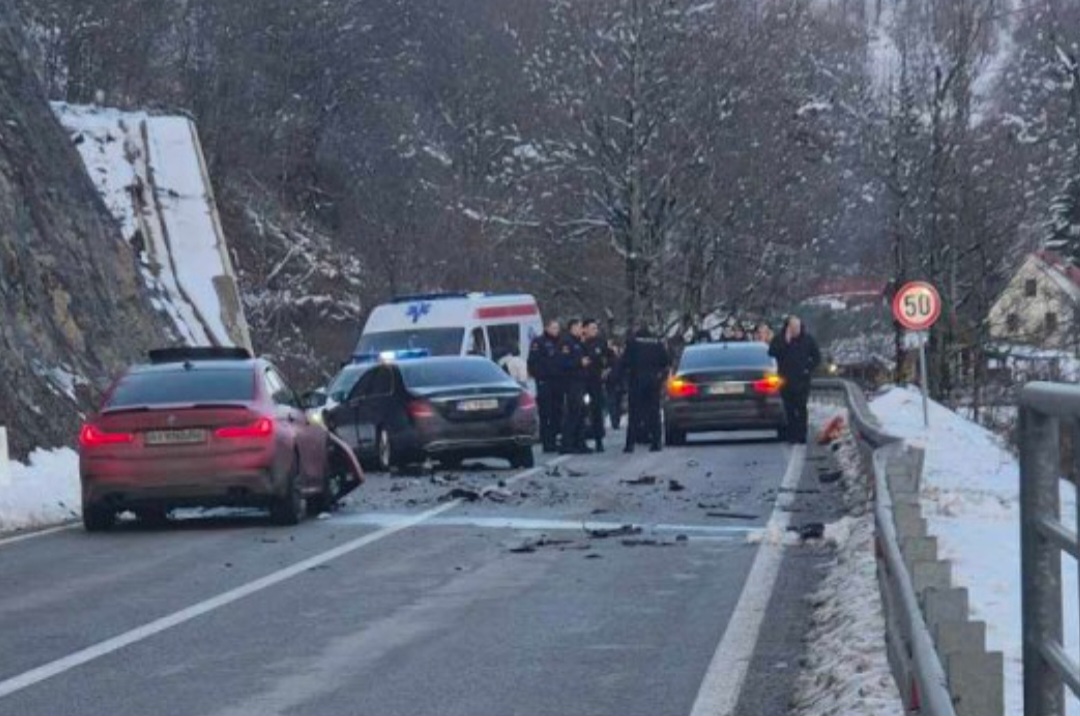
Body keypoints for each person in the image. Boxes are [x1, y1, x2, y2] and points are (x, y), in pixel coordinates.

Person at [768, 315, 821, 444]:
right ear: (787, 328)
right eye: (792, 327)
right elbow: (772, 352)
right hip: (785, 380)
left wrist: (808, 368)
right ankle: (792, 435)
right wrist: (785, 342)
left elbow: (817, 357)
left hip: (802, 380)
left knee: (801, 407)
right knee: (789, 408)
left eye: (797, 327)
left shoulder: (808, 340)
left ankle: (802, 435)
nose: (795, 330)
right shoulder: (780, 339)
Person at [621, 325, 670, 453]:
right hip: (653, 381)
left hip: (636, 381)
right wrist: (660, 377)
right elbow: (666, 361)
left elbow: (625, 362)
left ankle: (630, 444)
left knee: (634, 414)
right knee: (654, 412)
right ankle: (656, 442)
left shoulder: (632, 343)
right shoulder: (657, 343)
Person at [527, 320, 564, 453]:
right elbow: (533, 362)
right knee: (546, 413)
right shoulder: (539, 342)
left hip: (558, 382)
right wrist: (541, 376)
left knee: (557, 412)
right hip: (545, 382)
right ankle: (547, 442)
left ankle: (554, 439)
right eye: (553, 328)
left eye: (557, 328)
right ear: (547, 328)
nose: (556, 330)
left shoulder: (561, 342)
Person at [559, 318, 591, 454]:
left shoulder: (579, 343)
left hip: (581, 382)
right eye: (579, 327)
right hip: (572, 383)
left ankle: (580, 442)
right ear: (572, 328)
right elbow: (564, 363)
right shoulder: (566, 342)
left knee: (582, 413)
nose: (581, 330)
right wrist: (579, 362)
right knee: (573, 413)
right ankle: (567, 444)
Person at [581, 319, 609, 452]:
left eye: (596, 328)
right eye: (592, 328)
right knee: (581, 410)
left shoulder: (601, 342)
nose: (595, 331)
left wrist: (607, 369)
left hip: (596, 382)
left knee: (597, 411)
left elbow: (610, 358)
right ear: (584, 329)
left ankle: (599, 440)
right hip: (581, 382)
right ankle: (580, 440)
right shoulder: (579, 343)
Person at [604, 340, 626, 430]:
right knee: (613, 403)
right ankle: (615, 421)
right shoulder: (609, 358)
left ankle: (616, 420)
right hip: (611, 383)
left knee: (617, 403)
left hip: (618, 383)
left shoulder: (620, 359)